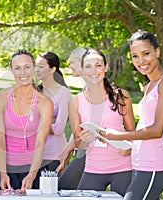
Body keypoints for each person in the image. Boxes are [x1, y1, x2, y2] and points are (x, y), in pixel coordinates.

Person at [98, 30, 163, 199]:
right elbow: (144, 125)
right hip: (139, 164)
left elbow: (157, 130)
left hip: (154, 167)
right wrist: (126, 143)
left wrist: (119, 136)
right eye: (135, 56)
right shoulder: (149, 85)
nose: (141, 61)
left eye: (146, 53)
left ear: (157, 52)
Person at [71, 48, 135, 197]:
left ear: (106, 67)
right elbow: (77, 142)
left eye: (98, 65)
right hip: (93, 168)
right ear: (82, 70)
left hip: (123, 166)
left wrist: (130, 148)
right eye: (88, 66)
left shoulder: (121, 96)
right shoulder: (76, 101)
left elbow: (133, 133)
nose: (94, 70)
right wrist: (83, 140)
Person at [0, 50, 53, 191]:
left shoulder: (45, 103)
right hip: (2, 167)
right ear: (12, 71)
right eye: (17, 68)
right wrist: (3, 174)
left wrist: (32, 175)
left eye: (27, 67)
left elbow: (40, 142)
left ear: (34, 68)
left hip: (32, 168)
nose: (22, 72)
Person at [56, 46, 90, 189]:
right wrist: (67, 152)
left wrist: (66, 152)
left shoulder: (93, 89)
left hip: (91, 151)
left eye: (72, 62)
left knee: (64, 186)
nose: (69, 66)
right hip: (83, 150)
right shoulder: (85, 89)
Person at [35, 52, 71, 171]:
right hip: (33, 154)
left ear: (52, 69)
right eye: (36, 66)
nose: (36, 70)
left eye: (41, 66)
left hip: (54, 155)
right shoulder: (34, 91)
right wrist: (50, 120)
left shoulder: (64, 93)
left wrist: (39, 122)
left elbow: (59, 128)